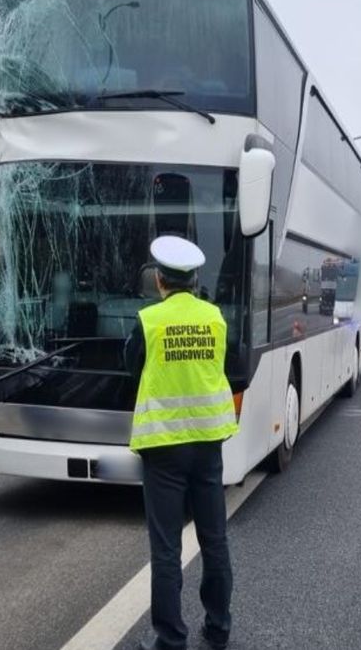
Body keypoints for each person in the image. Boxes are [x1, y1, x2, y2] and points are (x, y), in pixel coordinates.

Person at [125, 236, 239, 650]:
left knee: (167, 547)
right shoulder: (216, 318)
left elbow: (131, 366)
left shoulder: (148, 320)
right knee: (214, 539)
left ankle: (171, 639)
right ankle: (219, 627)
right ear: (194, 280)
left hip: (164, 446)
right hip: (208, 442)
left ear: (159, 280)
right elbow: (228, 365)